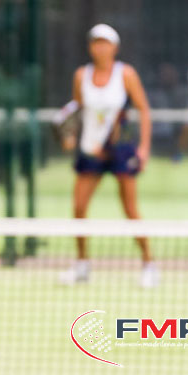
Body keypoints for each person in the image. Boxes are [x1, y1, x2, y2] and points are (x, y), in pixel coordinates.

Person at [58, 24, 158, 288]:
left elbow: (144, 109)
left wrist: (144, 147)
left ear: (115, 47)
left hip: (121, 148)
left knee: (130, 209)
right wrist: (69, 135)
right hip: (91, 150)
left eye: (105, 42)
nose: (100, 47)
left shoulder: (126, 74)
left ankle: (149, 264)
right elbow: (77, 109)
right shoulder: (81, 75)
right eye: (95, 42)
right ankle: (82, 265)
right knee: (79, 207)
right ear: (90, 47)